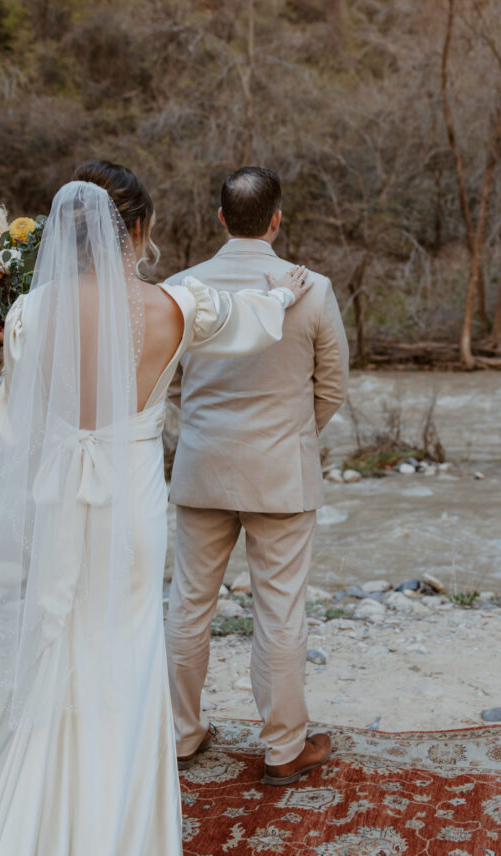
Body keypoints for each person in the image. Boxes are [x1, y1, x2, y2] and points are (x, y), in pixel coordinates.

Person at [0, 162, 311, 856]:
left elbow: (3, 432)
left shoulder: (30, 313)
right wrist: (281, 290)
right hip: (131, 507)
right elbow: (253, 323)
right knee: (127, 650)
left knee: (58, 641)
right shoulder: (178, 306)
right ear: (139, 229)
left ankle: (36, 812)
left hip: (59, 499)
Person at [165, 165, 349, 786]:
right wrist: (294, 437)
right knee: (280, 610)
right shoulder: (314, 289)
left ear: (220, 218)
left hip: (201, 468)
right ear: (276, 220)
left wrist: (198, 426)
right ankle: (282, 750)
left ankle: (181, 736)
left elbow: (162, 382)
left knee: (189, 605)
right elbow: (333, 387)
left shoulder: (181, 288)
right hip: (281, 473)